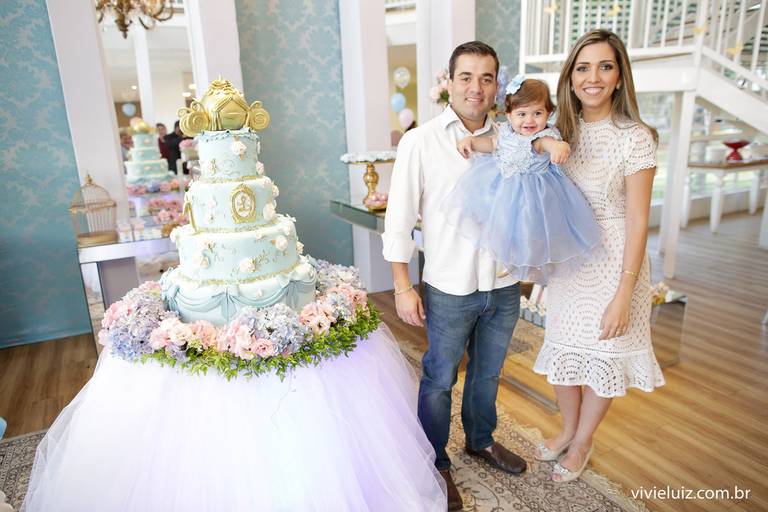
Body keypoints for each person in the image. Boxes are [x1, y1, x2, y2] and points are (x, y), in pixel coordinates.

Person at [383, 41, 526, 511]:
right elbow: (399, 220)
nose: (476, 87)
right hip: (449, 285)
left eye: (486, 78)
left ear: (497, 84)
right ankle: (435, 462)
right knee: (440, 378)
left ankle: (480, 440)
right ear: (449, 82)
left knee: (488, 373)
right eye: (466, 77)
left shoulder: (514, 139)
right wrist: (402, 286)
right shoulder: (420, 141)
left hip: (503, 284)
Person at [532, 29, 665, 482]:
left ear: (619, 76)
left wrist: (624, 294)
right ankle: (568, 429)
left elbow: (638, 221)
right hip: (570, 262)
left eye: (605, 67)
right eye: (583, 68)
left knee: (604, 357)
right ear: (570, 78)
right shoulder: (557, 133)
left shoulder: (636, 138)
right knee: (565, 354)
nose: (593, 77)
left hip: (615, 265)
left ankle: (583, 440)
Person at [441, 75, 602, 283]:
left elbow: (549, 144)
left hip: (532, 194)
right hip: (503, 187)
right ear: (509, 115)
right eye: (521, 114)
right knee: (499, 224)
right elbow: (491, 144)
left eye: (537, 113)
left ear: (549, 113)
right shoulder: (506, 132)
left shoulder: (541, 137)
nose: (529, 120)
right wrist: (472, 141)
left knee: (529, 230)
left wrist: (559, 147)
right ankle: (508, 259)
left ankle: (528, 262)